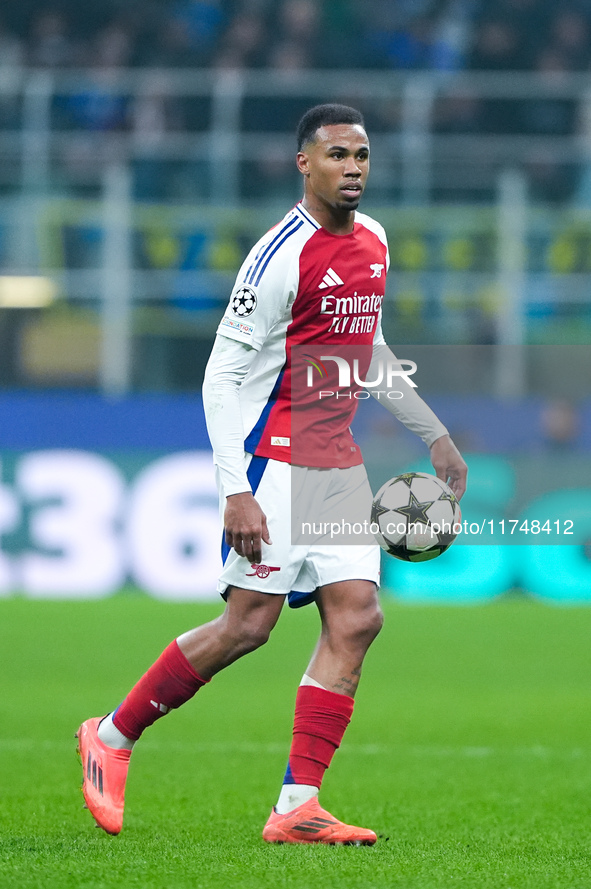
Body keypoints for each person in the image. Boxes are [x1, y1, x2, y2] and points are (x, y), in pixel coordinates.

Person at [76, 103, 467, 845]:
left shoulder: (376, 240)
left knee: (356, 618)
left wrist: (432, 431)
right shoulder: (278, 256)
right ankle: (113, 735)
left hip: (338, 462)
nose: (352, 167)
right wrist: (235, 488)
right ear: (304, 164)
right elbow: (221, 378)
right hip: (274, 456)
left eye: (361, 155)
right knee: (246, 626)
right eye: (336, 155)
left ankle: (297, 804)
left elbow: (366, 346)